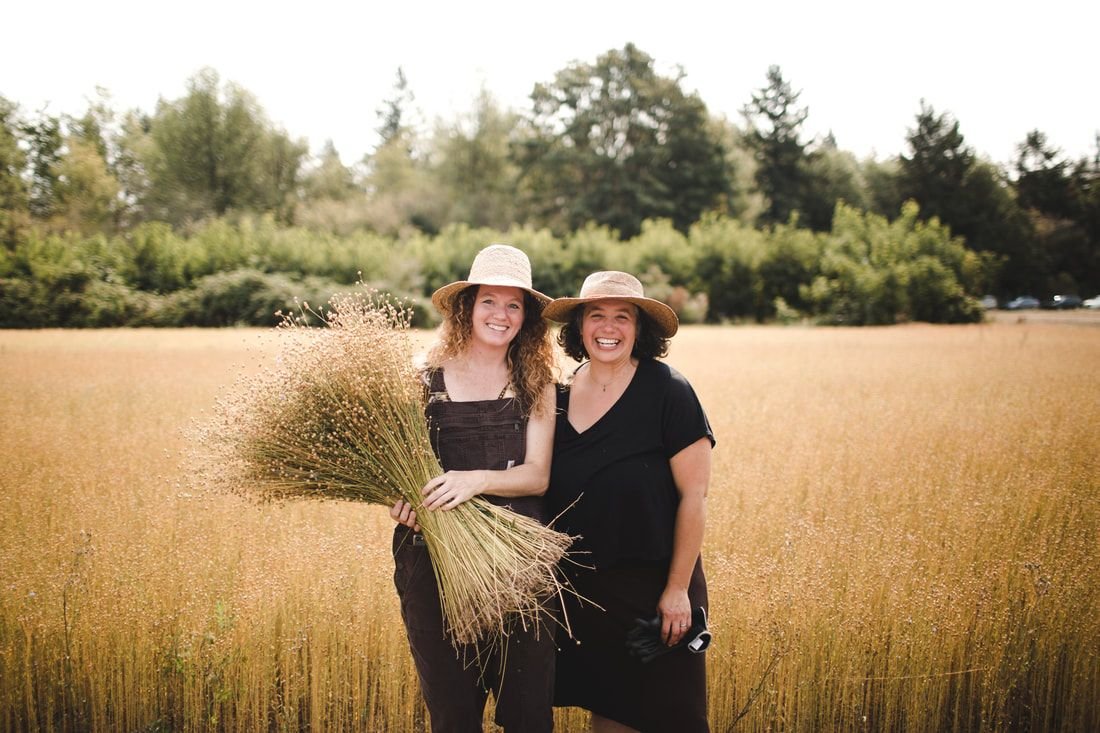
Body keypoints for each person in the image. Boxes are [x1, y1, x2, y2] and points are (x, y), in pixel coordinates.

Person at [389, 244, 558, 733]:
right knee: (454, 715)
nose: (500, 314)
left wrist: (476, 480)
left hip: (518, 558)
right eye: (489, 301)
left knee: (527, 715)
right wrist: (399, 501)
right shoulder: (422, 377)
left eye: (513, 305)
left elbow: (538, 474)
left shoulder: (537, 382)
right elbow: (398, 468)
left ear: (526, 317)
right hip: (431, 557)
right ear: (467, 306)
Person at [543, 270, 715, 733]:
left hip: (659, 591)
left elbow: (694, 497)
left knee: (674, 718)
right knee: (611, 716)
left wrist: (677, 591)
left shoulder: (668, 391)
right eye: (596, 315)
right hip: (588, 595)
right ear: (579, 327)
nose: (609, 327)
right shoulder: (554, 398)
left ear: (640, 329)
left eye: (623, 317)